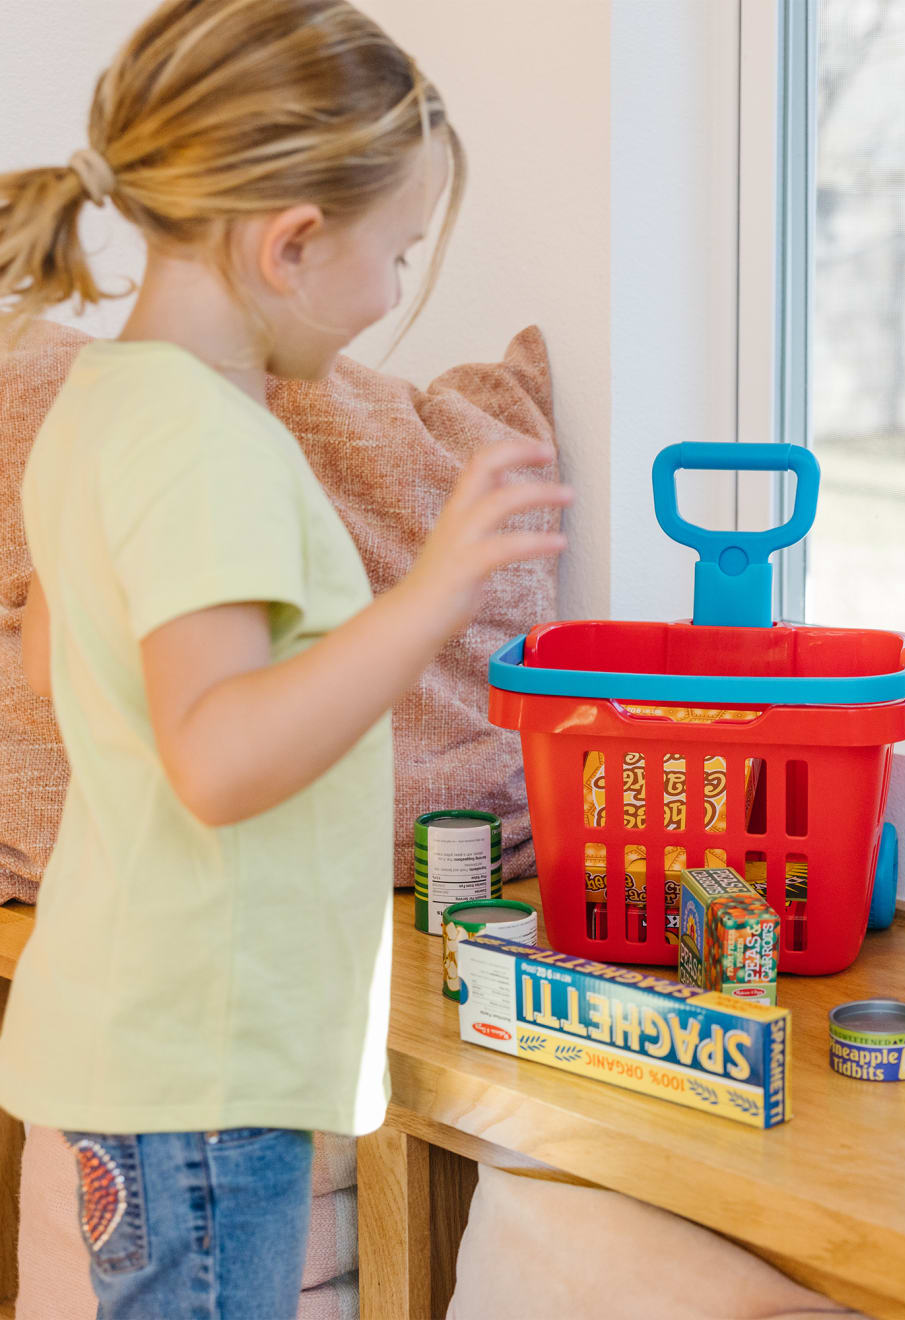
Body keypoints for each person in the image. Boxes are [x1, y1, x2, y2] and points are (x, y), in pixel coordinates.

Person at [0, 2, 572, 1315]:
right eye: (397, 255)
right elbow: (214, 758)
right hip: (198, 1061)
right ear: (295, 245)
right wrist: (429, 596)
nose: (390, 296)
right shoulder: (214, 443)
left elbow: (47, 668)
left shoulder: (103, 406)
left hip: (135, 1040)